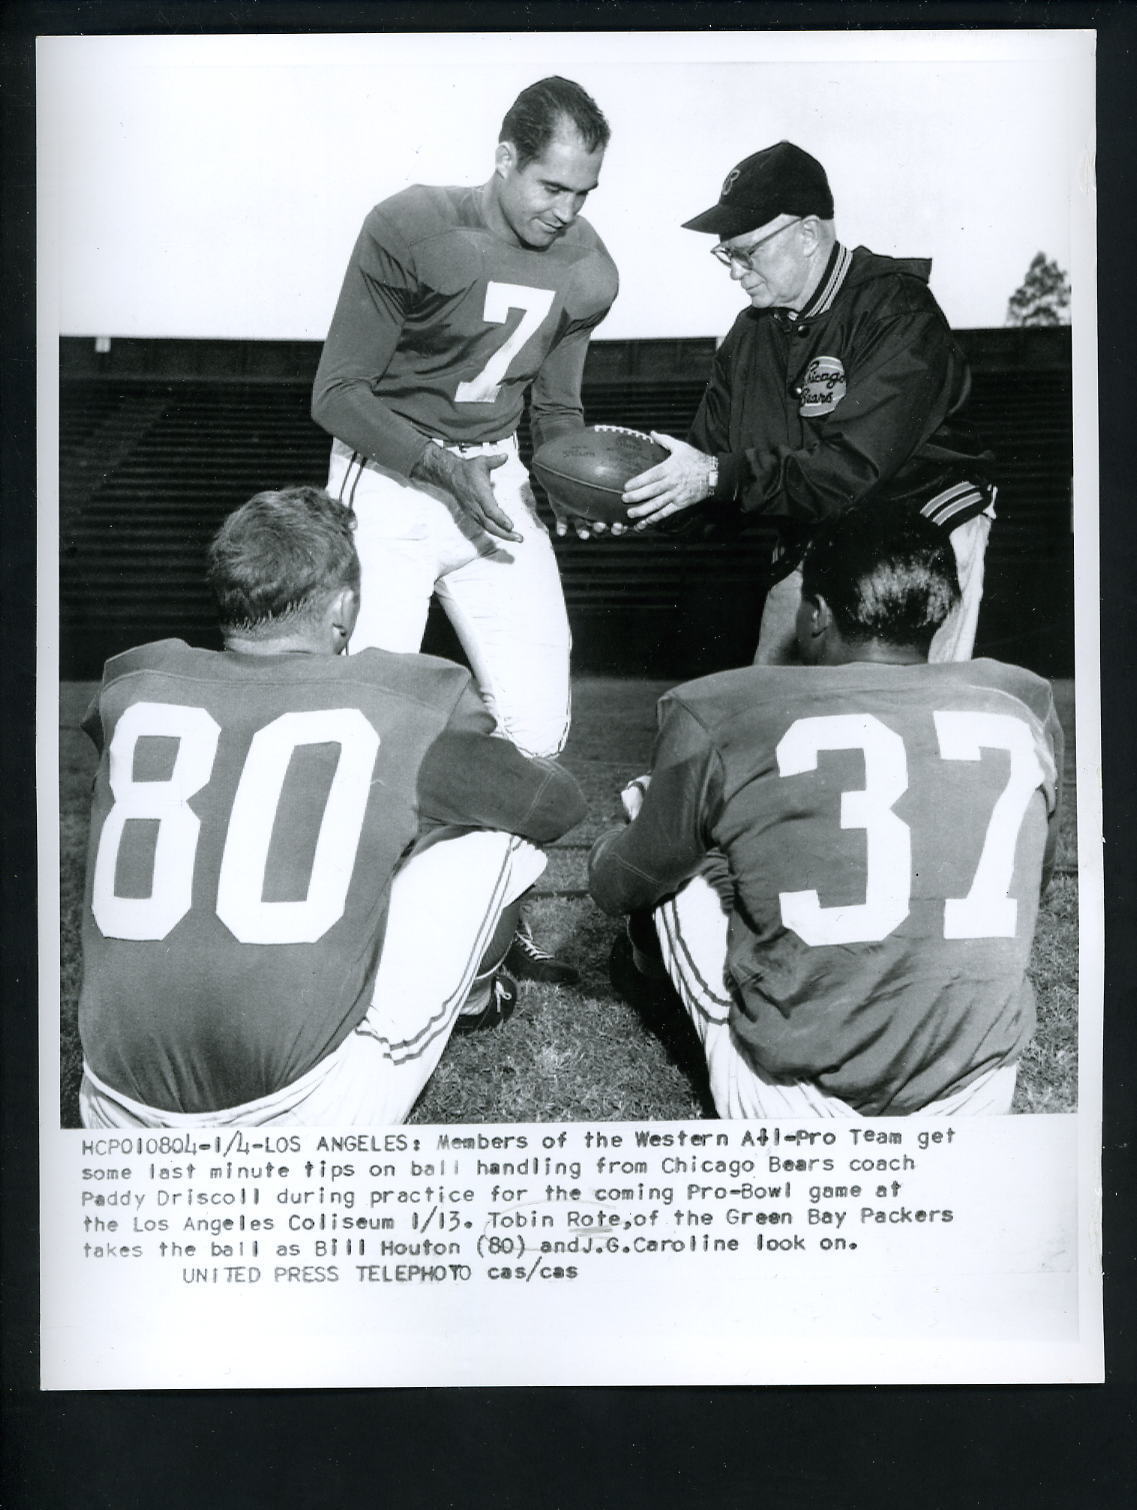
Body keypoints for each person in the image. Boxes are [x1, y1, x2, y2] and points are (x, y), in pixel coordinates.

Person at [77, 487, 586, 1128]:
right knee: (497, 833)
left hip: (113, 1106)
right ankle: (481, 997)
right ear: (343, 607)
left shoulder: (131, 684)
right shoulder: (401, 695)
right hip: (300, 1113)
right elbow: (554, 805)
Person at [589, 501, 1062, 1118]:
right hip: (974, 1089)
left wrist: (621, 847)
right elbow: (1039, 877)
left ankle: (645, 969)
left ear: (813, 615)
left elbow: (621, 882)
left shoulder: (722, 708)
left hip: (800, 1100)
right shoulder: (1019, 700)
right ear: (941, 613)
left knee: (657, 804)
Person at [311, 75, 618, 985]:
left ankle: (492, 927)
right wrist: (439, 467)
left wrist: (570, 480)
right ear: (503, 159)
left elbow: (556, 410)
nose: (566, 211)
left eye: (584, 192)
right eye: (550, 186)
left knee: (538, 721)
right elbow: (336, 394)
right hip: (391, 477)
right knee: (363, 718)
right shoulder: (410, 226)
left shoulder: (591, 270)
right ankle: (345, 932)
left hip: (497, 476)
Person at [619, 141, 996, 665]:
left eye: (748, 252)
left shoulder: (897, 310)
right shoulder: (749, 337)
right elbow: (712, 465)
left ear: (808, 234)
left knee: (907, 718)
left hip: (920, 537)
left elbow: (851, 469)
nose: (735, 270)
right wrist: (633, 500)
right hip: (816, 537)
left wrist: (710, 476)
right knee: (778, 714)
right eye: (728, 253)